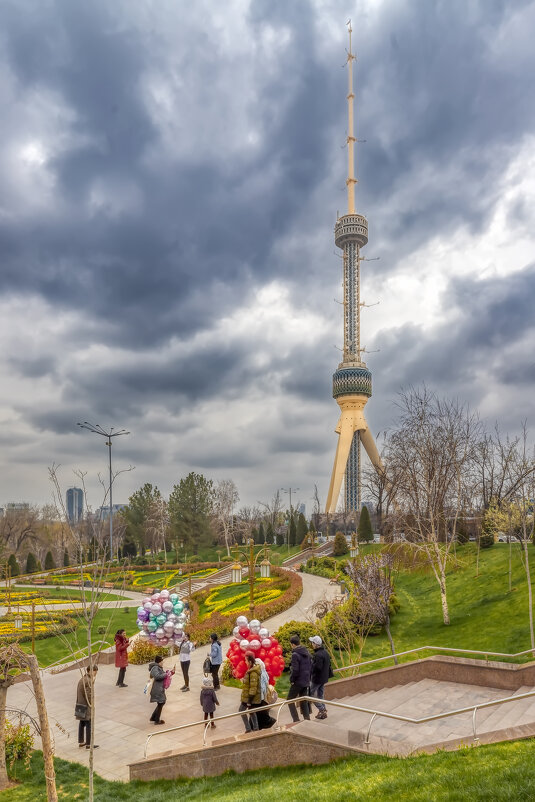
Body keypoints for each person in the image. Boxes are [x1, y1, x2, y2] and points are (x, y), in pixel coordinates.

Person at [287, 635, 311, 722]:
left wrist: (292, 680)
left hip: (298, 681)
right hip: (306, 680)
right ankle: (307, 719)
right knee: (303, 699)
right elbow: (310, 666)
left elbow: (295, 670)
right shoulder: (306, 652)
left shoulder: (295, 654)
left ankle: (296, 720)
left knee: (289, 700)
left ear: (293, 644)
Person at [76, 665, 99, 749]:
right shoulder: (88, 681)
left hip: (80, 704)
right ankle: (89, 744)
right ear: (91, 671)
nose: (96, 674)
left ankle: (81, 742)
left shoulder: (82, 679)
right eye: (95, 672)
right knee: (89, 723)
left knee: (82, 723)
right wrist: (91, 705)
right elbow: (89, 695)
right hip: (86, 706)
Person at [309, 635, 331, 720]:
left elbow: (317, 667)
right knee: (320, 695)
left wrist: (312, 664)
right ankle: (323, 711)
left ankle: (322, 709)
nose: (311, 644)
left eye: (312, 642)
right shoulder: (325, 652)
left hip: (317, 679)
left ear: (315, 644)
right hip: (324, 678)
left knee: (310, 694)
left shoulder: (318, 654)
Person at [148, 655, 174, 725]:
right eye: (162, 661)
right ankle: (156, 720)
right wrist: (166, 674)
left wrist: (171, 672)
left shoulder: (157, 667)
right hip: (157, 689)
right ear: (159, 662)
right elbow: (157, 676)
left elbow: (163, 675)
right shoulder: (155, 668)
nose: (163, 663)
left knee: (161, 702)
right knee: (161, 702)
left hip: (159, 688)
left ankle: (153, 717)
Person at [239, 652, 261, 733]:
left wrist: (249, 700)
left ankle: (249, 729)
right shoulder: (251, 670)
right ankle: (255, 729)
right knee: (251, 712)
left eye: (246, 660)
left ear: (250, 662)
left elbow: (253, 687)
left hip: (249, 697)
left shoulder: (253, 672)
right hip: (248, 696)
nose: (245, 662)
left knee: (241, 711)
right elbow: (250, 683)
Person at [253, 656, 276, 730]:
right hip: (264, 697)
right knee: (258, 713)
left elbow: (262, 687)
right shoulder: (264, 672)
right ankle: (255, 727)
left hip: (261, 697)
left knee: (258, 713)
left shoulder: (260, 674)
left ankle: (268, 722)